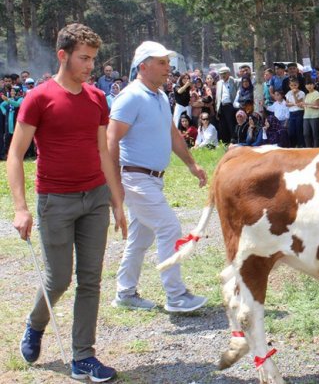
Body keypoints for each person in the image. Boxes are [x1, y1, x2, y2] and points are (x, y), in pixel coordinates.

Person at [9, 23, 126, 382]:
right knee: (59, 279)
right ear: (63, 55)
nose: (91, 65)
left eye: (93, 58)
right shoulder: (39, 98)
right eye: (84, 58)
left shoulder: (96, 98)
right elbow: (15, 154)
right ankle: (35, 324)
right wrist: (20, 207)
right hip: (54, 201)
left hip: (94, 200)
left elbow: (104, 154)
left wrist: (117, 202)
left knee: (90, 280)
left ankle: (83, 356)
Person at [108, 40, 208, 313]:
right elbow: (111, 139)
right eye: (162, 63)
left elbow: (172, 134)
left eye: (168, 62)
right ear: (144, 66)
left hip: (150, 179)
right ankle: (176, 295)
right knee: (169, 228)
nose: (168, 68)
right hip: (135, 178)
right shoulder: (130, 97)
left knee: (140, 239)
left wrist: (192, 164)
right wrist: (114, 184)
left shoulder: (161, 96)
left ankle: (125, 293)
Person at [215, 66, 237, 143]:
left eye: (224, 74)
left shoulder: (234, 81)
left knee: (231, 123)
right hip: (221, 106)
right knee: (223, 125)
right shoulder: (218, 83)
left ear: (228, 73)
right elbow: (217, 97)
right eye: (221, 74)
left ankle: (233, 140)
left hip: (230, 105)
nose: (222, 76)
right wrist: (217, 109)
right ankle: (225, 141)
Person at [301, 78, 319, 148]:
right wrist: (302, 105)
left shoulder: (317, 93)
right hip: (306, 116)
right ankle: (308, 149)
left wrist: (306, 104)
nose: (309, 86)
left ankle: (316, 150)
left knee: (315, 134)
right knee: (306, 134)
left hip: (315, 117)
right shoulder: (306, 95)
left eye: (310, 84)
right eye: (307, 84)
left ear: (314, 85)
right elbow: (305, 107)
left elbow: (317, 106)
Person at [285, 77, 305, 148]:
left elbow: (298, 102)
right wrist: (293, 104)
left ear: (298, 85)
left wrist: (294, 95)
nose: (293, 87)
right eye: (292, 85)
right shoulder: (288, 93)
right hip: (292, 113)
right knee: (291, 131)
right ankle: (293, 145)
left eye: (295, 85)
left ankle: (301, 145)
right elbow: (287, 104)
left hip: (299, 112)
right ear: (289, 86)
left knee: (299, 130)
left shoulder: (301, 93)